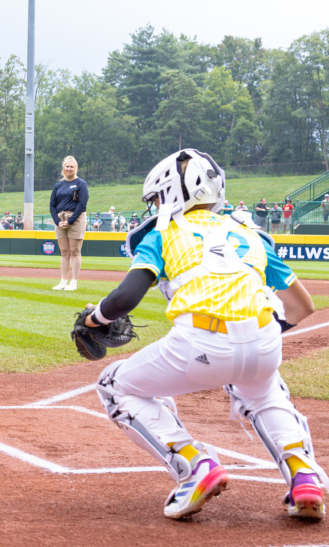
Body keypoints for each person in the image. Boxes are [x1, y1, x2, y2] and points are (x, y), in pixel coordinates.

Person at [83, 148, 325, 521]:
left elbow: (125, 299)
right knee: (263, 392)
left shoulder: (164, 233)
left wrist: (92, 321)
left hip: (200, 341)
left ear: (174, 193)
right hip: (264, 339)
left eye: (160, 197)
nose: (157, 205)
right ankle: (303, 475)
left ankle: (194, 465)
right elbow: (301, 307)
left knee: (114, 385)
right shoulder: (251, 234)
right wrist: (256, 338)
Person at [49, 155, 89, 291]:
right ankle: (63, 281)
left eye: (72, 167)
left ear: (76, 168)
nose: (69, 169)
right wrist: (58, 221)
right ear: (63, 168)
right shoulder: (58, 185)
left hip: (76, 219)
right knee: (64, 252)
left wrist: (70, 221)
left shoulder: (81, 184)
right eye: (67, 166)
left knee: (75, 251)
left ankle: (74, 282)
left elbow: (82, 204)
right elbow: (52, 205)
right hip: (60, 219)